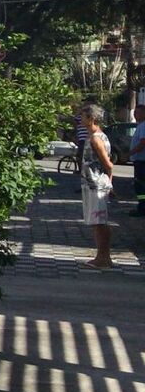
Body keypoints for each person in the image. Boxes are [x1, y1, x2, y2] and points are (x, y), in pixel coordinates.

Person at [80, 103, 115, 270]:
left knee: (99, 222)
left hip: (96, 185)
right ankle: (102, 257)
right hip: (91, 184)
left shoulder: (96, 138)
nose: (81, 119)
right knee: (97, 221)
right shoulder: (94, 136)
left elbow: (108, 164)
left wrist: (110, 182)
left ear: (91, 118)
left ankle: (103, 257)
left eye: (83, 116)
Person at [130, 104, 145, 217]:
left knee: (140, 186)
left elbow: (142, 143)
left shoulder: (143, 126)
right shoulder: (140, 125)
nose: (135, 114)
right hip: (139, 161)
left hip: (142, 161)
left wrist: (129, 153)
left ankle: (142, 208)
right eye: (135, 112)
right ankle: (141, 206)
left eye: (138, 112)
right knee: (139, 186)